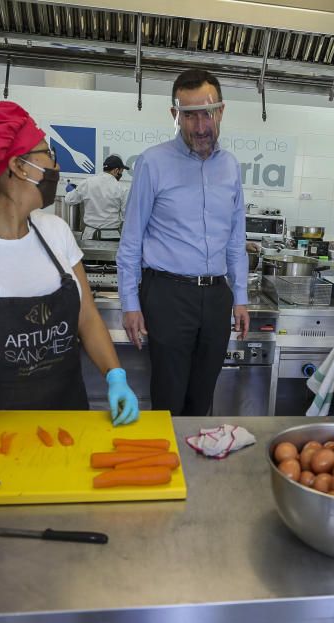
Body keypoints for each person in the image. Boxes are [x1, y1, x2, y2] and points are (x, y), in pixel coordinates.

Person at [0, 101, 139, 435]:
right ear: (20, 166)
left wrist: (115, 375)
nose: (55, 164)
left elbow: (87, 317)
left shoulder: (56, 231)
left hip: (69, 414)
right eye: (47, 153)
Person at [117, 69, 249, 416]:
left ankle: (193, 464)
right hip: (168, 296)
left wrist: (241, 297)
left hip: (217, 296)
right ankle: (169, 466)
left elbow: (236, 239)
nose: (200, 125)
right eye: (189, 115)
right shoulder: (152, 163)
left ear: (221, 111)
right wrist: (129, 304)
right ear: (175, 115)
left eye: (207, 113)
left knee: (203, 397)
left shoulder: (231, 167)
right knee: (169, 398)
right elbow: (131, 240)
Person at [64, 154, 131, 241]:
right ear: (116, 170)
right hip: (111, 237)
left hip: (89, 236)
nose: (121, 174)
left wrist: (72, 190)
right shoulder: (122, 188)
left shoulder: (87, 183)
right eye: (121, 171)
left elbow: (68, 200)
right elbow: (127, 216)